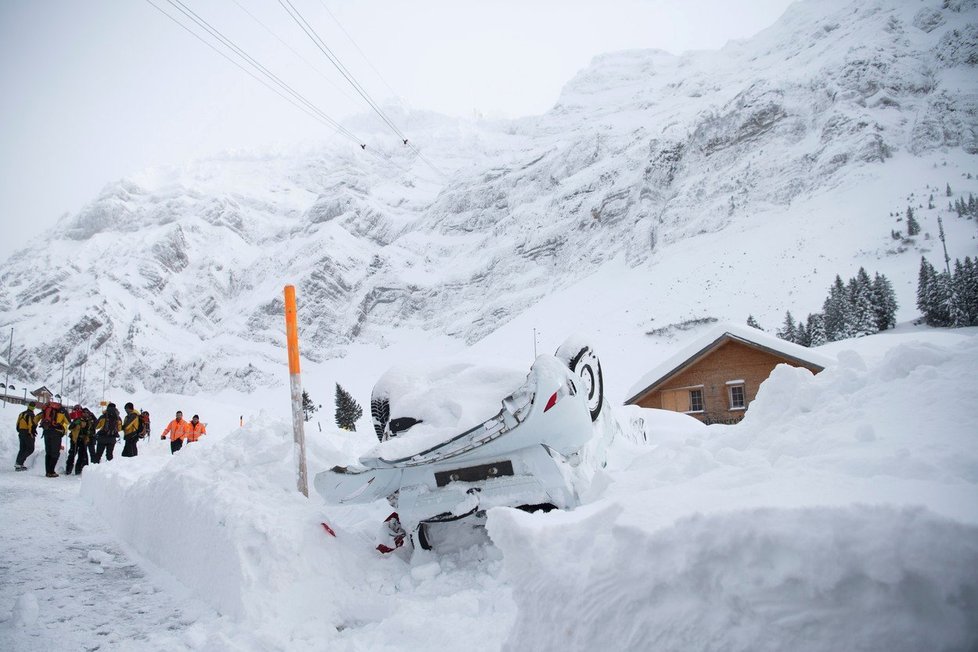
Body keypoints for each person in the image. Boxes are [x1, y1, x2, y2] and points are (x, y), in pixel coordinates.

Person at [39, 401, 69, 478]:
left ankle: (47, 472)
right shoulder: (62, 411)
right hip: (56, 433)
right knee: (55, 453)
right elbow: (68, 421)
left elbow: (37, 418)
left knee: (48, 452)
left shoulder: (46, 410)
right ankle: (51, 471)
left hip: (46, 431)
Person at [64, 405, 90, 476]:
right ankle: (68, 470)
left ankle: (78, 470)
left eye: (87, 413)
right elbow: (70, 428)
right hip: (75, 439)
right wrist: (75, 423)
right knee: (72, 454)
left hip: (82, 440)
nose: (86, 414)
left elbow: (88, 431)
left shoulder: (88, 421)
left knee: (81, 456)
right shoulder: (78, 419)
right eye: (84, 412)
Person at [14, 401, 39, 471]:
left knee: (22, 449)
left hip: (21, 432)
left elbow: (17, 425)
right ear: (34, 407)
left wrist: (20, 431)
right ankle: (19, 462)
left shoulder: (21, 414)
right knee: (30, 449)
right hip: (27, 433)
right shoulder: (31, 414)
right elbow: (31, 425)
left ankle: (18, 464)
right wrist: (31, 433)